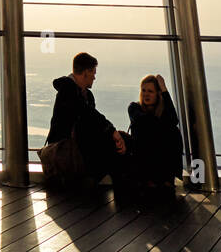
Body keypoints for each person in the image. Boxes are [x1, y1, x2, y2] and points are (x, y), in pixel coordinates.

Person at [46, 51, 128, 188]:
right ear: (85, 72)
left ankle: (113, 183)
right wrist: (112, 131)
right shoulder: (68, 91)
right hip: (65, 149)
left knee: (120, 141)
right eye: (93, 73)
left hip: (79, 146)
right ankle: (119, 187)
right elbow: (88, 115)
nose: (94, 78)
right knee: (112, 144)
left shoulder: (86, 95)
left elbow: (91, 120)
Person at [127, 74, 183, 197]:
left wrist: (164, 90)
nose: (146, 94)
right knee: (160, 133)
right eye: (144, 90)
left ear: (158, 94)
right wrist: (163, 124)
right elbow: (147, 123)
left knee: (174, 132)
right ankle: (152, 179)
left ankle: (167, 179)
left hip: (159, 155)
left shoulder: (163, 111)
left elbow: (173, 120)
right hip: (142, 156)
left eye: (150, 91)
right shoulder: (134, 107)